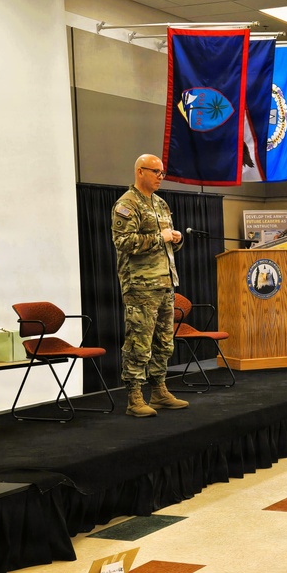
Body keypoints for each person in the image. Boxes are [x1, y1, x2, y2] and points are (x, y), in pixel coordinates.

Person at [112, 154, 189, 417]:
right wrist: (160, 237)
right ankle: (134, 397)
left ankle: (159, 391)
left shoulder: (160, 203)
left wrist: (175, 239)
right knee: (139, 341)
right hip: (140, 285)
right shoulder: (127, 204)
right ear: (140, 172)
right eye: (156, 172)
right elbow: (123, 242)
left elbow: (166, 244)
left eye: (162, 172)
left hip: (165, 281)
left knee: (164, 342)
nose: (160, 177)